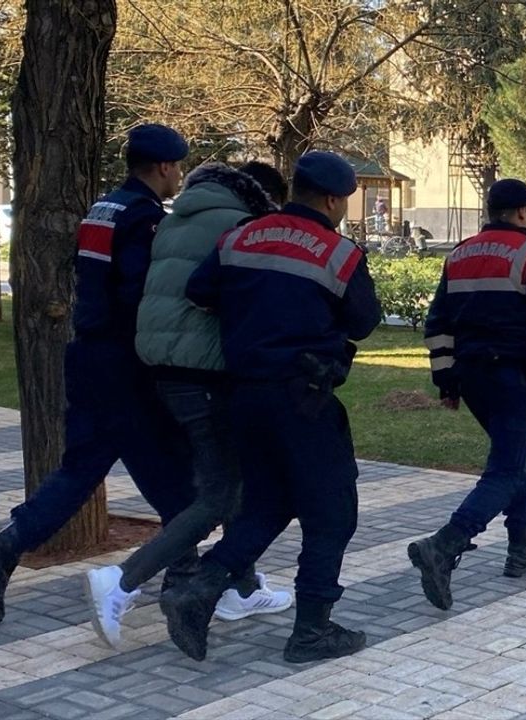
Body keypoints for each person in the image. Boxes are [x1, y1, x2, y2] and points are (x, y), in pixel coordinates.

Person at [0, 124, 198, 625]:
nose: (178, 176)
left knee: (81, 473)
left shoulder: (103, 208)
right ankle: (187, 584)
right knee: (174, 479)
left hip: (88, 356)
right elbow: (139, 297)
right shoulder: (144, 218)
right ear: (162, 167)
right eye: (178, 167)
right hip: (124, 365)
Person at [160, 150, 382, 664]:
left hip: (244, 397)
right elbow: (364, 320)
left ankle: (198, 592)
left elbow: (199, 291)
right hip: (302, 398)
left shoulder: (241, 236)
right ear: (332, 199)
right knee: (332, 515)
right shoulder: (338, 253)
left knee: (268, 504)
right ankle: (311, 632)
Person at [82, 161, 293, 650]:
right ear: (264, 198)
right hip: (205, 372)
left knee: (234, 482)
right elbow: (231, 298)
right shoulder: (240, 227)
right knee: (219, 495)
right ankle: (120, 580)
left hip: (163, 368)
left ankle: (239, 588)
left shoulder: (177, 216)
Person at [409, 178, 526, 611]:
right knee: (506, 467)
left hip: (471, 376)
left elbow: (438, 323)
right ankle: (445, 545)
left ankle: (523, 547)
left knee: (517, 456)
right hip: (511, 376)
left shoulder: (460, 253)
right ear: (524, 211)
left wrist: (446, 380)